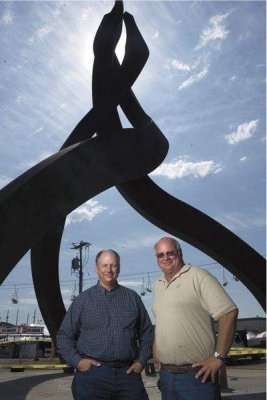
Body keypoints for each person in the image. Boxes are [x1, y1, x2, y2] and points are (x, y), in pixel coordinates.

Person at [57, 249, 153, 400]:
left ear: (119, 268)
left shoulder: (133, 298)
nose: (109, 270)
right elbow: (63, 336)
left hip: (128, 375)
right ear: (97, 268)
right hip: (92, 377)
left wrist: (141, 361)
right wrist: (78, 362)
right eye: (105, 265)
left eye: (113, 265)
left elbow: (147, 332)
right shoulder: (82, 301)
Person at [152, 237, 238, 400]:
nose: (166, 258)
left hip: (196, 377)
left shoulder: (198, 276)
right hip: (166, 376)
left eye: (170, 253)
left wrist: (218, 358)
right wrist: (157, 353)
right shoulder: (158, 284)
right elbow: (161, 323)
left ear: (179, 253)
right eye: (160, 255)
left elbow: (228, 313)